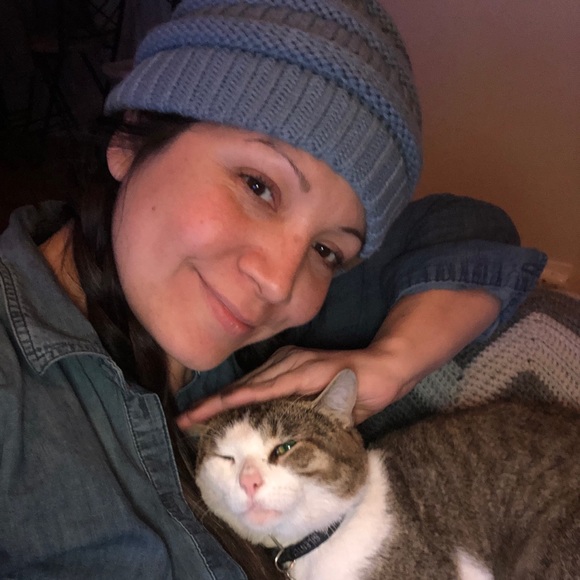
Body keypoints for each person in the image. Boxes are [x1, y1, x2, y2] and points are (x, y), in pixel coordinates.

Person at [0, 1, 546, 579]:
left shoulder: (295, 332)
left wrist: (393, 362)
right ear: (132, 139)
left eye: (327, 250)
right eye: (258, 185)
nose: (279, 282)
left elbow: (471, 229)